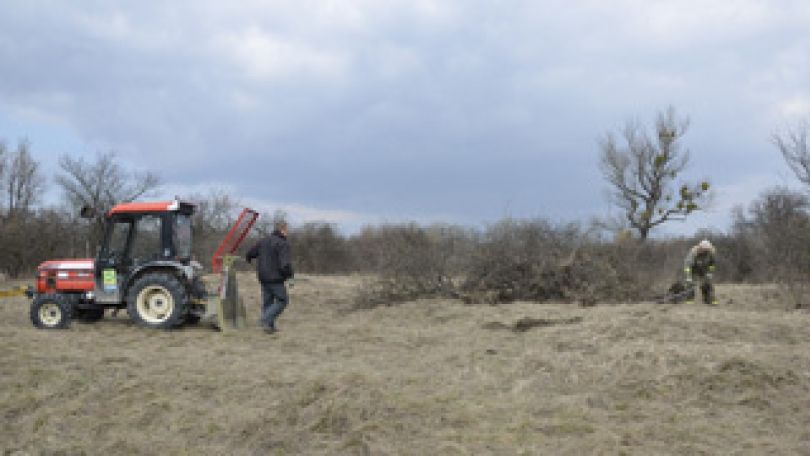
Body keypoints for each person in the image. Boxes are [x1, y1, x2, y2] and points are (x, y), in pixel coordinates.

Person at [246, 219, 294, 333]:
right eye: (287, 229)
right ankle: (264, 320)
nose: (288, 232)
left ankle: (269, 327)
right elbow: (285, 264)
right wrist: (289, 276)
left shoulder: (263, 241)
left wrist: (249, 259)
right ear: (282, 230)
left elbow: (250, 253)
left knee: (268, 302)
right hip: (275, 278)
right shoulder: (282, 244)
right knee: (282, 301)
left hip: (263, 277)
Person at [683, 239, 717, 305]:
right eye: (704, 249)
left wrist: (710, 273)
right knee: (690, 284)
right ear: (700, 248)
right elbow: (687, 265)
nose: (705, 251)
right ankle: (689, 299)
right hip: (693, 269)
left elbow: (712, 264)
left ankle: (709, 299)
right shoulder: (693, 253)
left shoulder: (711, 253)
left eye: (707, 249)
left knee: (707, 283)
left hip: (704, 269)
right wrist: (688, 276)